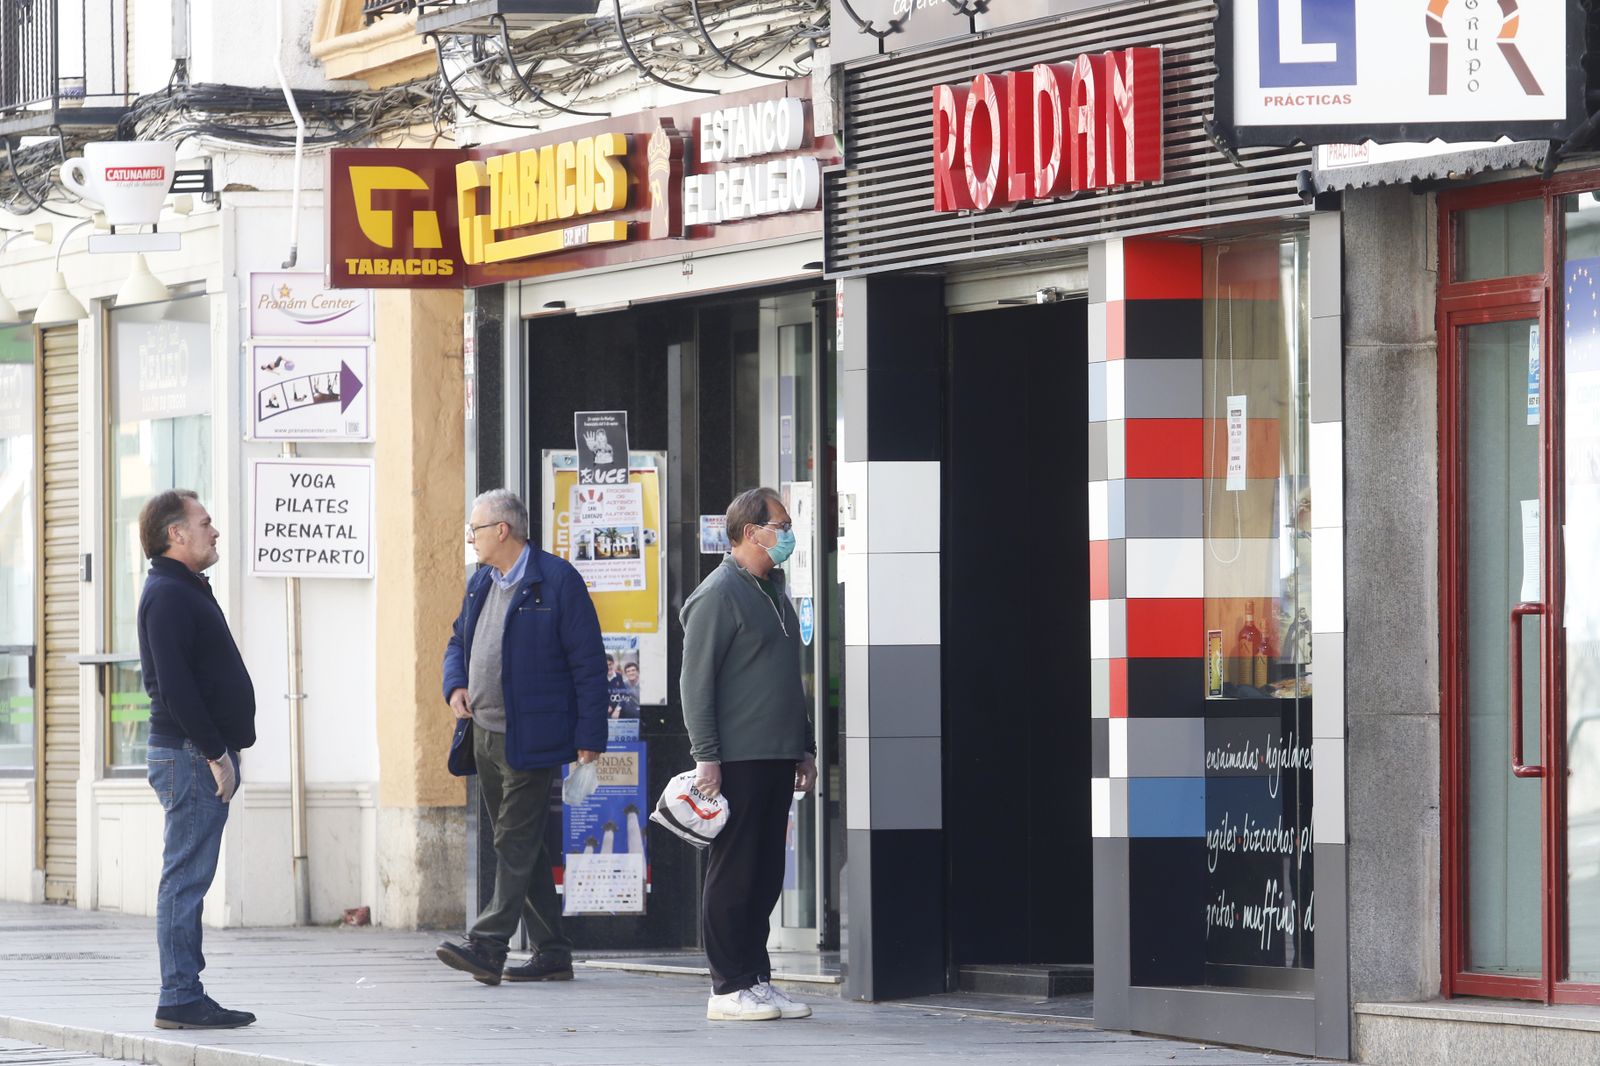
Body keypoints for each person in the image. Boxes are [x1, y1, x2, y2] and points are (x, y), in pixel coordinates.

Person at [437, 489, 608, 985]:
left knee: (513, 839)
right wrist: (456, 683)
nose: (471, 537)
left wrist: (589, 737)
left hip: (534, 735)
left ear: (503, 531)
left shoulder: (556, 582)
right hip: (484, 733)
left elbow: (589, 665)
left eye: (476, 529)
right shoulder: (481, 582)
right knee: (523, 843)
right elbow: (457, 641)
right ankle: (553, 952)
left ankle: (488, 946)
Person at [680, 487, 817, 1022]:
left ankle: (757, 977)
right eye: (779, 524)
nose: (787, 533)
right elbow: (697, 683)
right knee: (734, 869)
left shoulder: (773, 590)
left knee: (763, 873)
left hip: (777, 754)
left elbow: (788, 680)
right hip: (736, 757)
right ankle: (727, 985)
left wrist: (804, 747)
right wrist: (706, 755)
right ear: (749, 532)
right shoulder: (718, 594)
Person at [136, 490, 257, 1030]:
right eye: (204, 522)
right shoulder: (167, 593)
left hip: (196, 753)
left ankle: (184, 991)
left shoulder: (183, 588)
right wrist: (215, 754)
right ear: (175, 534)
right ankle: (180, 996)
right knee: (185, 880)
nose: (214, 531)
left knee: (188, 878)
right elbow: (175, 688)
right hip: (189, 756)